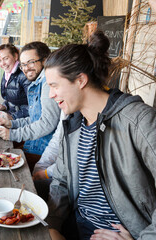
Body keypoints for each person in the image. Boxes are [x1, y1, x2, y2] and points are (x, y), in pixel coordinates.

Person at [45, 30, 156, 240]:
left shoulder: (138, 119)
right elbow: (60, 180)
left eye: (54, 86)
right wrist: (51, 226)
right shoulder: (73, 124)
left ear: (80, 80)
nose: (51, 94)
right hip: (78, 227)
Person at [0, 42, 60, 171]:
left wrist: (13, 134)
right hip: (33, 144)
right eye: (23, 64)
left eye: (31, 62)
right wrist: (12, 124)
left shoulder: (48, 84)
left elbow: (47, 123)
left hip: (41, 151)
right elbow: (35, 118)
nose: (25, 68)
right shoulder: (37, 82)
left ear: (45, 60)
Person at [32, 111, 66, 201]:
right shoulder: (66, 110)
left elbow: (74, 161)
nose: (51, 96)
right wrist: (40, 167)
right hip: (56, 167)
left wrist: (47, 173)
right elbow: (56, 141)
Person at [0, 43, 31, 119]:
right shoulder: (8, 73)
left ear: (15, 56)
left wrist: (13, 117)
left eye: (6, 58)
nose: (2, 63)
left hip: (23, 121)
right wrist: (5, 106)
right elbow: (15, 99)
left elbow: (34, 107)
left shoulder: (24, 75)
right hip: (13, 116)